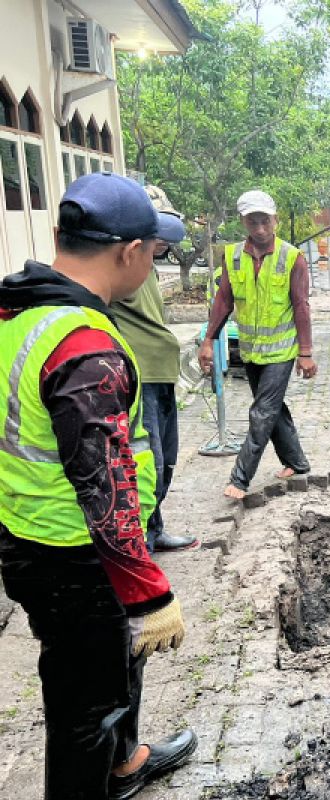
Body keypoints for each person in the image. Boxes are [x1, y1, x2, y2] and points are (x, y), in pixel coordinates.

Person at [0, 172, 196, 799]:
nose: (155, 266)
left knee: (95, 681)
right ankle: (101, 774)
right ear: (129, 251)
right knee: (87, 710)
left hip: (29, 537)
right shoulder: (83, 346)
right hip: (76, 558)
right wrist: (146, 591)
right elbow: (102, 485)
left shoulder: (18, 315)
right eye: (155, 253)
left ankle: (126, 761)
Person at [199, 190, 317, 500]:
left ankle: (240, 479)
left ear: (275, 220)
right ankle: (296, 462)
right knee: (273, 409)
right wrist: (208, 340)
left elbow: (301, 306)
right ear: (244, 222)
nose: (261, 229)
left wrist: (305, 353)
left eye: (265, 221)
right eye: (254, 222)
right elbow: (223, 300)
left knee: (262, 413)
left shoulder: (293, 257)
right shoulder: (233, 256)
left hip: (281, 350)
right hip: (251, 351)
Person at [112, 207, 198, 553]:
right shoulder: (121, 268)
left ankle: (155, 528)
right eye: (155, 239)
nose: (160, 245)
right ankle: (141, 543)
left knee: (168, 457)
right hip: (141, 375)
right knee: (150, 462)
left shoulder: (147, 269)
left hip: (162, 371)